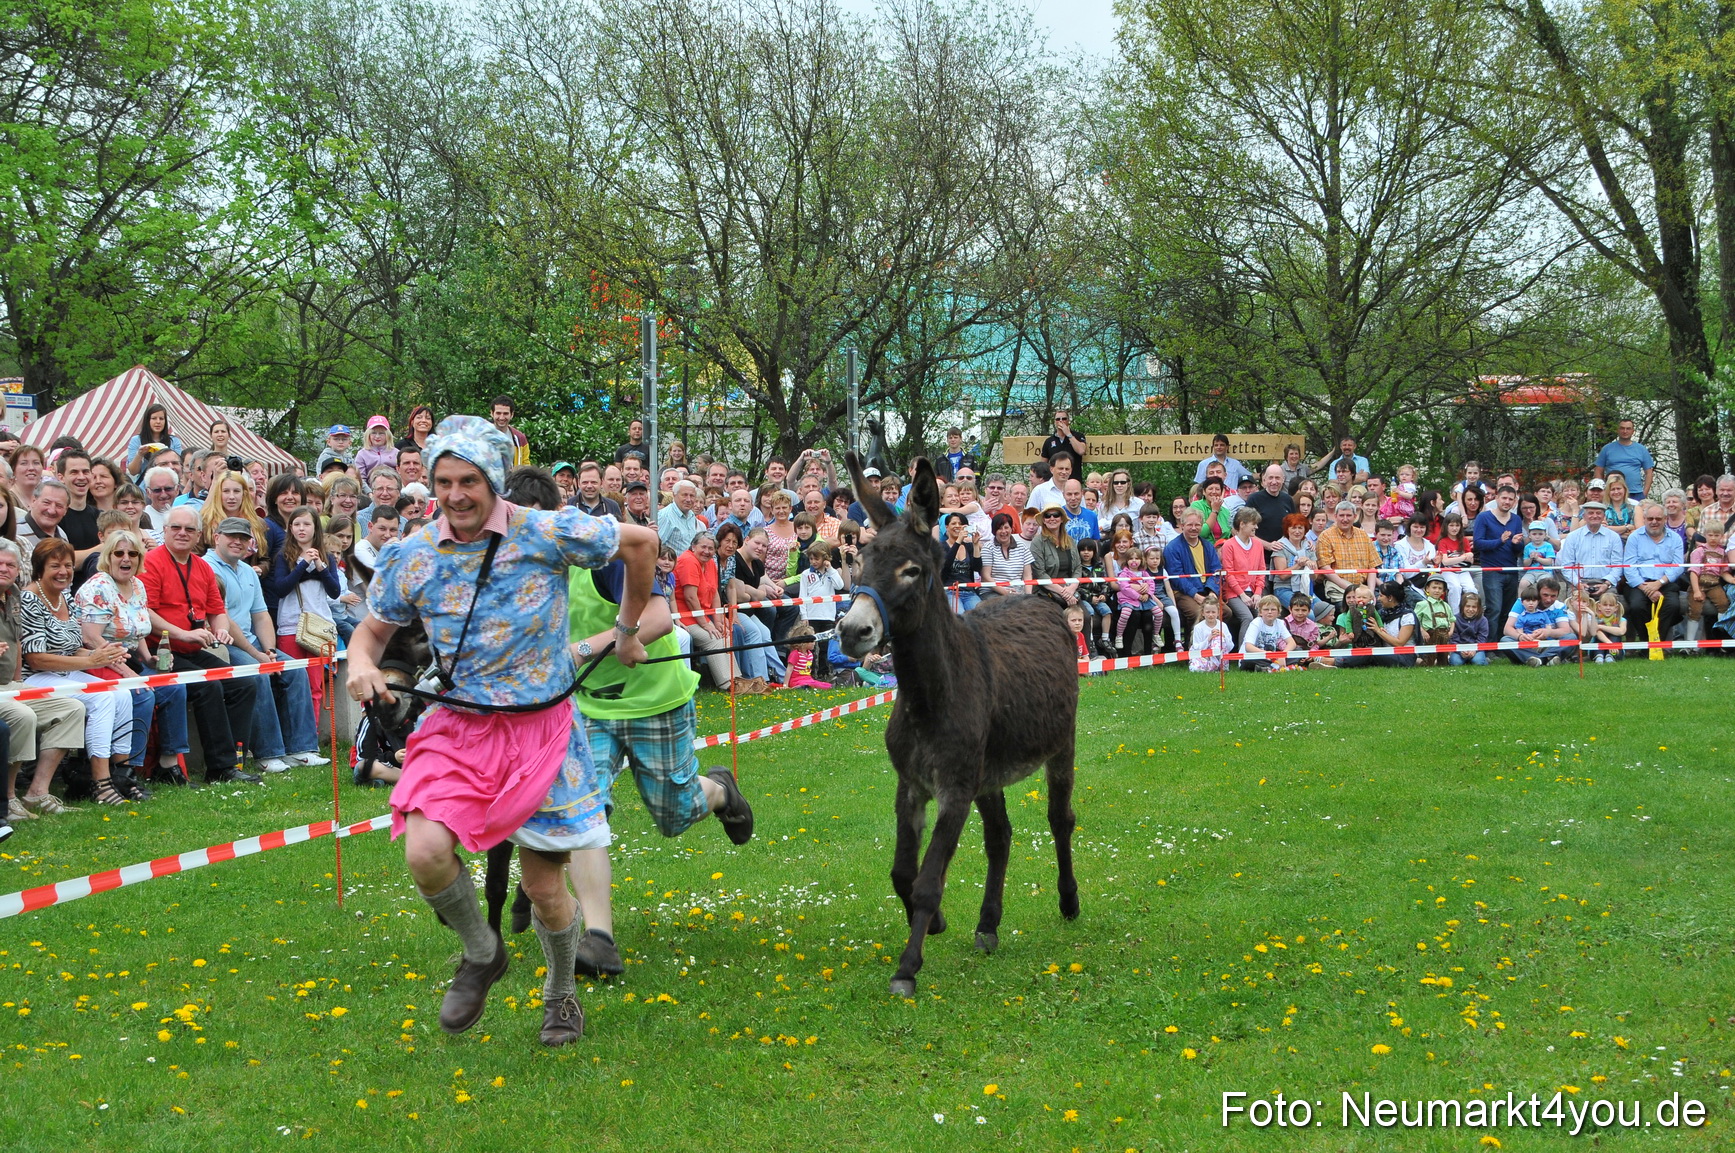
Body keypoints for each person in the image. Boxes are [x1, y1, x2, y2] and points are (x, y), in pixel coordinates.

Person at [346, 414, 658, 1048]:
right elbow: (371, 633)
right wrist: (360, 665)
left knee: (544, 888)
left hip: (542, 733)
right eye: (443, 482)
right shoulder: (412, 555)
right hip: (460, 728)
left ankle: (561, 992)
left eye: (468, 481)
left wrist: (626, 634)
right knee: (423, 851)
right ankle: (482, 952)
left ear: (492, 479)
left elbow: (642, 543)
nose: (455, 495)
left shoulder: (545, 531)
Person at [550, 519, 754, 977]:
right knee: (583, 810)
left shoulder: (601, 556)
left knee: (674, 814)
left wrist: (584, 649)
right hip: (590, 707)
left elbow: (661, 618)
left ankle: (720, 790)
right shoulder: (519, 574)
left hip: (654, 701)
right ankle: (599, 938)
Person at [143, 505, 262, 784]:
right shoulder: (151, 562)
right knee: (209, 685)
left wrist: (221, 630)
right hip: (160, 651)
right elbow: (145, 613)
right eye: (176, 528)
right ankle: (220, 767)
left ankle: (236, 760)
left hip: (193, 648)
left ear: (199, 535)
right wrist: (182, 634)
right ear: (164, 531)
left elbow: (217, 610)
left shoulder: (202, 567)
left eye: (189, 529)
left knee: (243, 683)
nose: (182, 533)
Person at [203, 517, 324, 773]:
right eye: (231, 536)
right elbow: (223, 618)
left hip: (254, 642)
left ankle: (301, 750)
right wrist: (257, 655)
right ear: (217, 537)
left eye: (243, 538)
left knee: (294, 669)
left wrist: (269, 651)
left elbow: (260, 615)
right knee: (257, 673)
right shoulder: (207, 568)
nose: (238, 542)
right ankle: (268, 754)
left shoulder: (248, 571)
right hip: (222, 644)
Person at [19, 540, 133, 805]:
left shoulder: (65, 596)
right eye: (55, 566)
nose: (64, 572)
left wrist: (106, 655)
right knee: (102, 697)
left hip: (62, 673)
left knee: (121, 693)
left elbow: (71, 649)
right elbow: (35, 659)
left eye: (68, 565)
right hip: (33, 677)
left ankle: (124, 775)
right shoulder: (29, 599)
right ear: (39, 569)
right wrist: (91, 660)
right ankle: (101, 782)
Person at [0, 540, 91, 818]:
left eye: (10, 564)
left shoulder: (13, 595)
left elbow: (17, 643)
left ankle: (37, 793)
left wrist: (18, 682)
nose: (4, 569)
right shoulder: (29, 596)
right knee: (22, 715)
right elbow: (36, 657)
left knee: (71, 708)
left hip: (10, 685)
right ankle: (8, 797)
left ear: (19, 570)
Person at [269, 506, 342, 720]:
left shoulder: (327, 557)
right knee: (292, 684)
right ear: (290, 528)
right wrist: (303, 565)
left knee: (314, 685)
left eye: (307, 524)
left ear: (315, 527)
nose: (301, 529)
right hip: (291, 626)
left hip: (318, 628)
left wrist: (320, 566)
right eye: (297, 524)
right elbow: (281, 588)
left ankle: (312, 734)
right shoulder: (284, 556)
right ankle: (292, 733)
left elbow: (335, 591)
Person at [1621, 501, 1684, 644]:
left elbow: (1678, 566)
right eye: (1650, 519)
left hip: (1666, 582)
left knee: (1673, 606)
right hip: (1640, 584)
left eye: (1658, 519)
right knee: (1637, 606)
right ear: (1644, 519)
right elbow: (1629, 567)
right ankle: (1646, 642)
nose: (1654, 522)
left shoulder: (1675, 538)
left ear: (1665, 519)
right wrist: (1646, 588)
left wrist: (1659, 583)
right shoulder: (1634, 537)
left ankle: (1657, 643)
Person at [1163, 508, 1222, 641]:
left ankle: (1218, 644)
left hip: (1207, 591)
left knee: (1227, 612)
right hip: (1183, 593)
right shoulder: (1172, 548)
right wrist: (1195, 595)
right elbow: (1177, 577)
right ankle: (1192, 646)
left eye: (1197, 525)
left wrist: (1212, 591)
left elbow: (1217, 571)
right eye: (1190, 525)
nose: (1194, 528)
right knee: (1197, 613)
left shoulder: (1208, 546)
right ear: (1182, 525)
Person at [1473, 484, 1524, 626]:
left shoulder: (1516, 519)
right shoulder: (1484, 517)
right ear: (1496, 498)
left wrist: (1516, 543)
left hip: (1511, 570)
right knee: (1494, 609)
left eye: (1510, 499)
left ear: (1515, 501)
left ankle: (1505, 639)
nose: (1507, 502)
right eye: (1504, 498)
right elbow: (1478, 544)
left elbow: (1519, 548)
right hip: (1492, 570)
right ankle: (1489, 640)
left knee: (1509, 612)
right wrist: (1499, 541)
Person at [1334, 581, 1417, 668]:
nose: (1378, 599)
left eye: (1381, 595)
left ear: (1390, 598)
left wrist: (1378, 630)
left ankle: (1333, 662)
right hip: (1384, 652)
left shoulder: (1407, 616)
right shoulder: (1382, 613)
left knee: (1370, 652)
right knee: (1366, 650)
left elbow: (1399, 643)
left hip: (1403, 656)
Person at [1315, 499, 1379, 606]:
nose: (1345, 519)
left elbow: (1372, 567)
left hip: (1364, 587)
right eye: (1341, 515)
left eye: (1349, 515)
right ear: (1335, 516)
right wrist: (1353, 589)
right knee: (1349, 609)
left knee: (1380, 606)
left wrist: (1370, 593)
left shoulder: (1363, 535)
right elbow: (1326, 569)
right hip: (1338, 588)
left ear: (1355, 517)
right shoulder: (1325, 536)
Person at [796, 539, 844, 680]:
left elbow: (840, 585)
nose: (813, 562)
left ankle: (824, 672)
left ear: (825, 558)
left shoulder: (831, 573)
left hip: (827, 615)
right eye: (811, 559)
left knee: (825, 646)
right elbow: (802, 596)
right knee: (810, 645)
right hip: (812, 615)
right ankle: (809, 672)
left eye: (816, 559)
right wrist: (804, 615)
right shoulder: (806, 574)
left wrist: (830, 569)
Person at [1503, 577, 1574, 666]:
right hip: (1526, 643)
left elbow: (1565, 630)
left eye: (1553, 596)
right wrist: (1519, 636)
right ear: (1538, 593)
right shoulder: (1522, 602)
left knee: (1571, 637)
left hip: (1548, 644)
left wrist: (1548, 632)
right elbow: (1507, 629)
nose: (1548, 600)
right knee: (1505, 640)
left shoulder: (1559, 606)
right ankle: (1548, 658)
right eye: (1545, 595)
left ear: (1558, 595)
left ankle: (1536, 659)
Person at [1686, 520, 1730, 644]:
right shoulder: (1699, 551)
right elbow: (1694, 572)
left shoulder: (1723, 553)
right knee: (1695, 610)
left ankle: (1720, 635)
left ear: (1722, 536)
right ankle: (1689, 643)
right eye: (1710, 535)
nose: (1713, 538)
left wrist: (1732, 579)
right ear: (1705, 535)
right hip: (1699, 583)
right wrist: (1696, 590)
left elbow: (1723, 572)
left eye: (1716, 535)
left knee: (1723, 604)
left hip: (1714, 584)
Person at [1594, 417, 1656, 498]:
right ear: (1618, 430)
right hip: (1613, 493)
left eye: (1628, 428)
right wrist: (1602, 490)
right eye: (1622, 428)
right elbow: (1598, 470)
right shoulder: (1607, 449)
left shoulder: (1641, 449)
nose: (1625, 431)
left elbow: (1649, 473)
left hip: (1635, 493)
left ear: (1633, 431)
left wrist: (1644, 493)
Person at [17, 478, 72, 556]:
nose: (52, 511)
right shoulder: (15, 532)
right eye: (46, 503)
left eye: (59, 506)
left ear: (66, 510)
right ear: (33, 501)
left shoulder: (62, 535)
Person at [125, 404, 183, 477]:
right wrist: (140, 455)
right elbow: (133, 472)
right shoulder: (136, 440)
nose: (158, 422)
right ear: (147, 420)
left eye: (161, 418)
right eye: (154, 418)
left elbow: (179, 467)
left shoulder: (174, 441)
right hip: (145, 482)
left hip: (169, 481)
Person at [1240, 595, 1293, 672]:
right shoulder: (1256, 623)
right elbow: (1248, 647)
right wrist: (1266, 653)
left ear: (1278, 612)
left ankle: (1268, 667)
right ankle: (1274, 666)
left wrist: (1282, 655)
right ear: (1260, 612)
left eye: (1273, 609)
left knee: (1297, 652)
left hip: (1272, 656)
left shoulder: (1280, 623)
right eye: (1266, 609)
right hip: (1257, 655)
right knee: (1247, 661)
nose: (1270, 612)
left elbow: (1292, 643)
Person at [1413, 575, 1456, 666]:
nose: (1437, 590)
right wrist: (1423, 631)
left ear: (1443, 591)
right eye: (1434, 587)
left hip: (1444, 634)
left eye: (1440, 588)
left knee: (1443, 658)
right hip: (1429, 635)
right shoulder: (1422, 604)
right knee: (1429, 658)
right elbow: (1415, 621)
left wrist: (1451, 632)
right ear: (1427, 589)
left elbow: (1452, 620)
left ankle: (1442, 665)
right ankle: (1423, 664)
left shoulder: (1446, 605)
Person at [1187, 595, 1232, 672]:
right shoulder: (1198, 627)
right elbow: (1196, 647)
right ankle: (1211, 667)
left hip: (1220, 657)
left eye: (1213, 612)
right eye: (1208, 612)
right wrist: (1208, 639)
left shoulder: (1223, 626)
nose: (1210, 615)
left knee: (1218, 639)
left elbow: (1230, 647)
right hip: (1203, 655)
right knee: (1194, 668)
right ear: (1203, 613)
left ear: (1218, 613)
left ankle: (1217, 665)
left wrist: (1223, 636)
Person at [1446, 591, 1491, 666]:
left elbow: (1482, 638)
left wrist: (1474, 650)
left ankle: (1483, 659)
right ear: (1462, 607)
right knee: (1455, 662)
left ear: (1478, 608)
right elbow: (1454, 638)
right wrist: (1461, 651)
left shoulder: (1483, 620)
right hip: (1459, 649)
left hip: (1476, 649)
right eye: (1467, 606)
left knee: (1478, 662)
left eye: (1474, 607)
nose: (1470, 609)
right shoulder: (1455, 619)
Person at [353, 415, 397, 481]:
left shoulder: (396, 453)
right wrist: (367, 488)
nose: (377, 436)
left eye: (381, 433)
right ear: (368, 435)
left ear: (388, 435)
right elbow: (361, 478)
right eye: (373, 433)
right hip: (370, 486)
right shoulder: (362, 454)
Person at [1590, 590, 1626, 661]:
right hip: (1596, 650)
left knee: (1615, 632)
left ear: (1616, 608)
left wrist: (1600, 626)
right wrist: (1609, 644)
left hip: (1616, 650)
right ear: (1599, 606)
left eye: (1611, 605)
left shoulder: (1622, 619)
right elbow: (1597, 633)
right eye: (1605, 605)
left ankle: (1610, 656)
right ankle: (1599, 656)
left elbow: (1621, 631)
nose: (1608, 608)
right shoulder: (1595, 619)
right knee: (1601, 634)